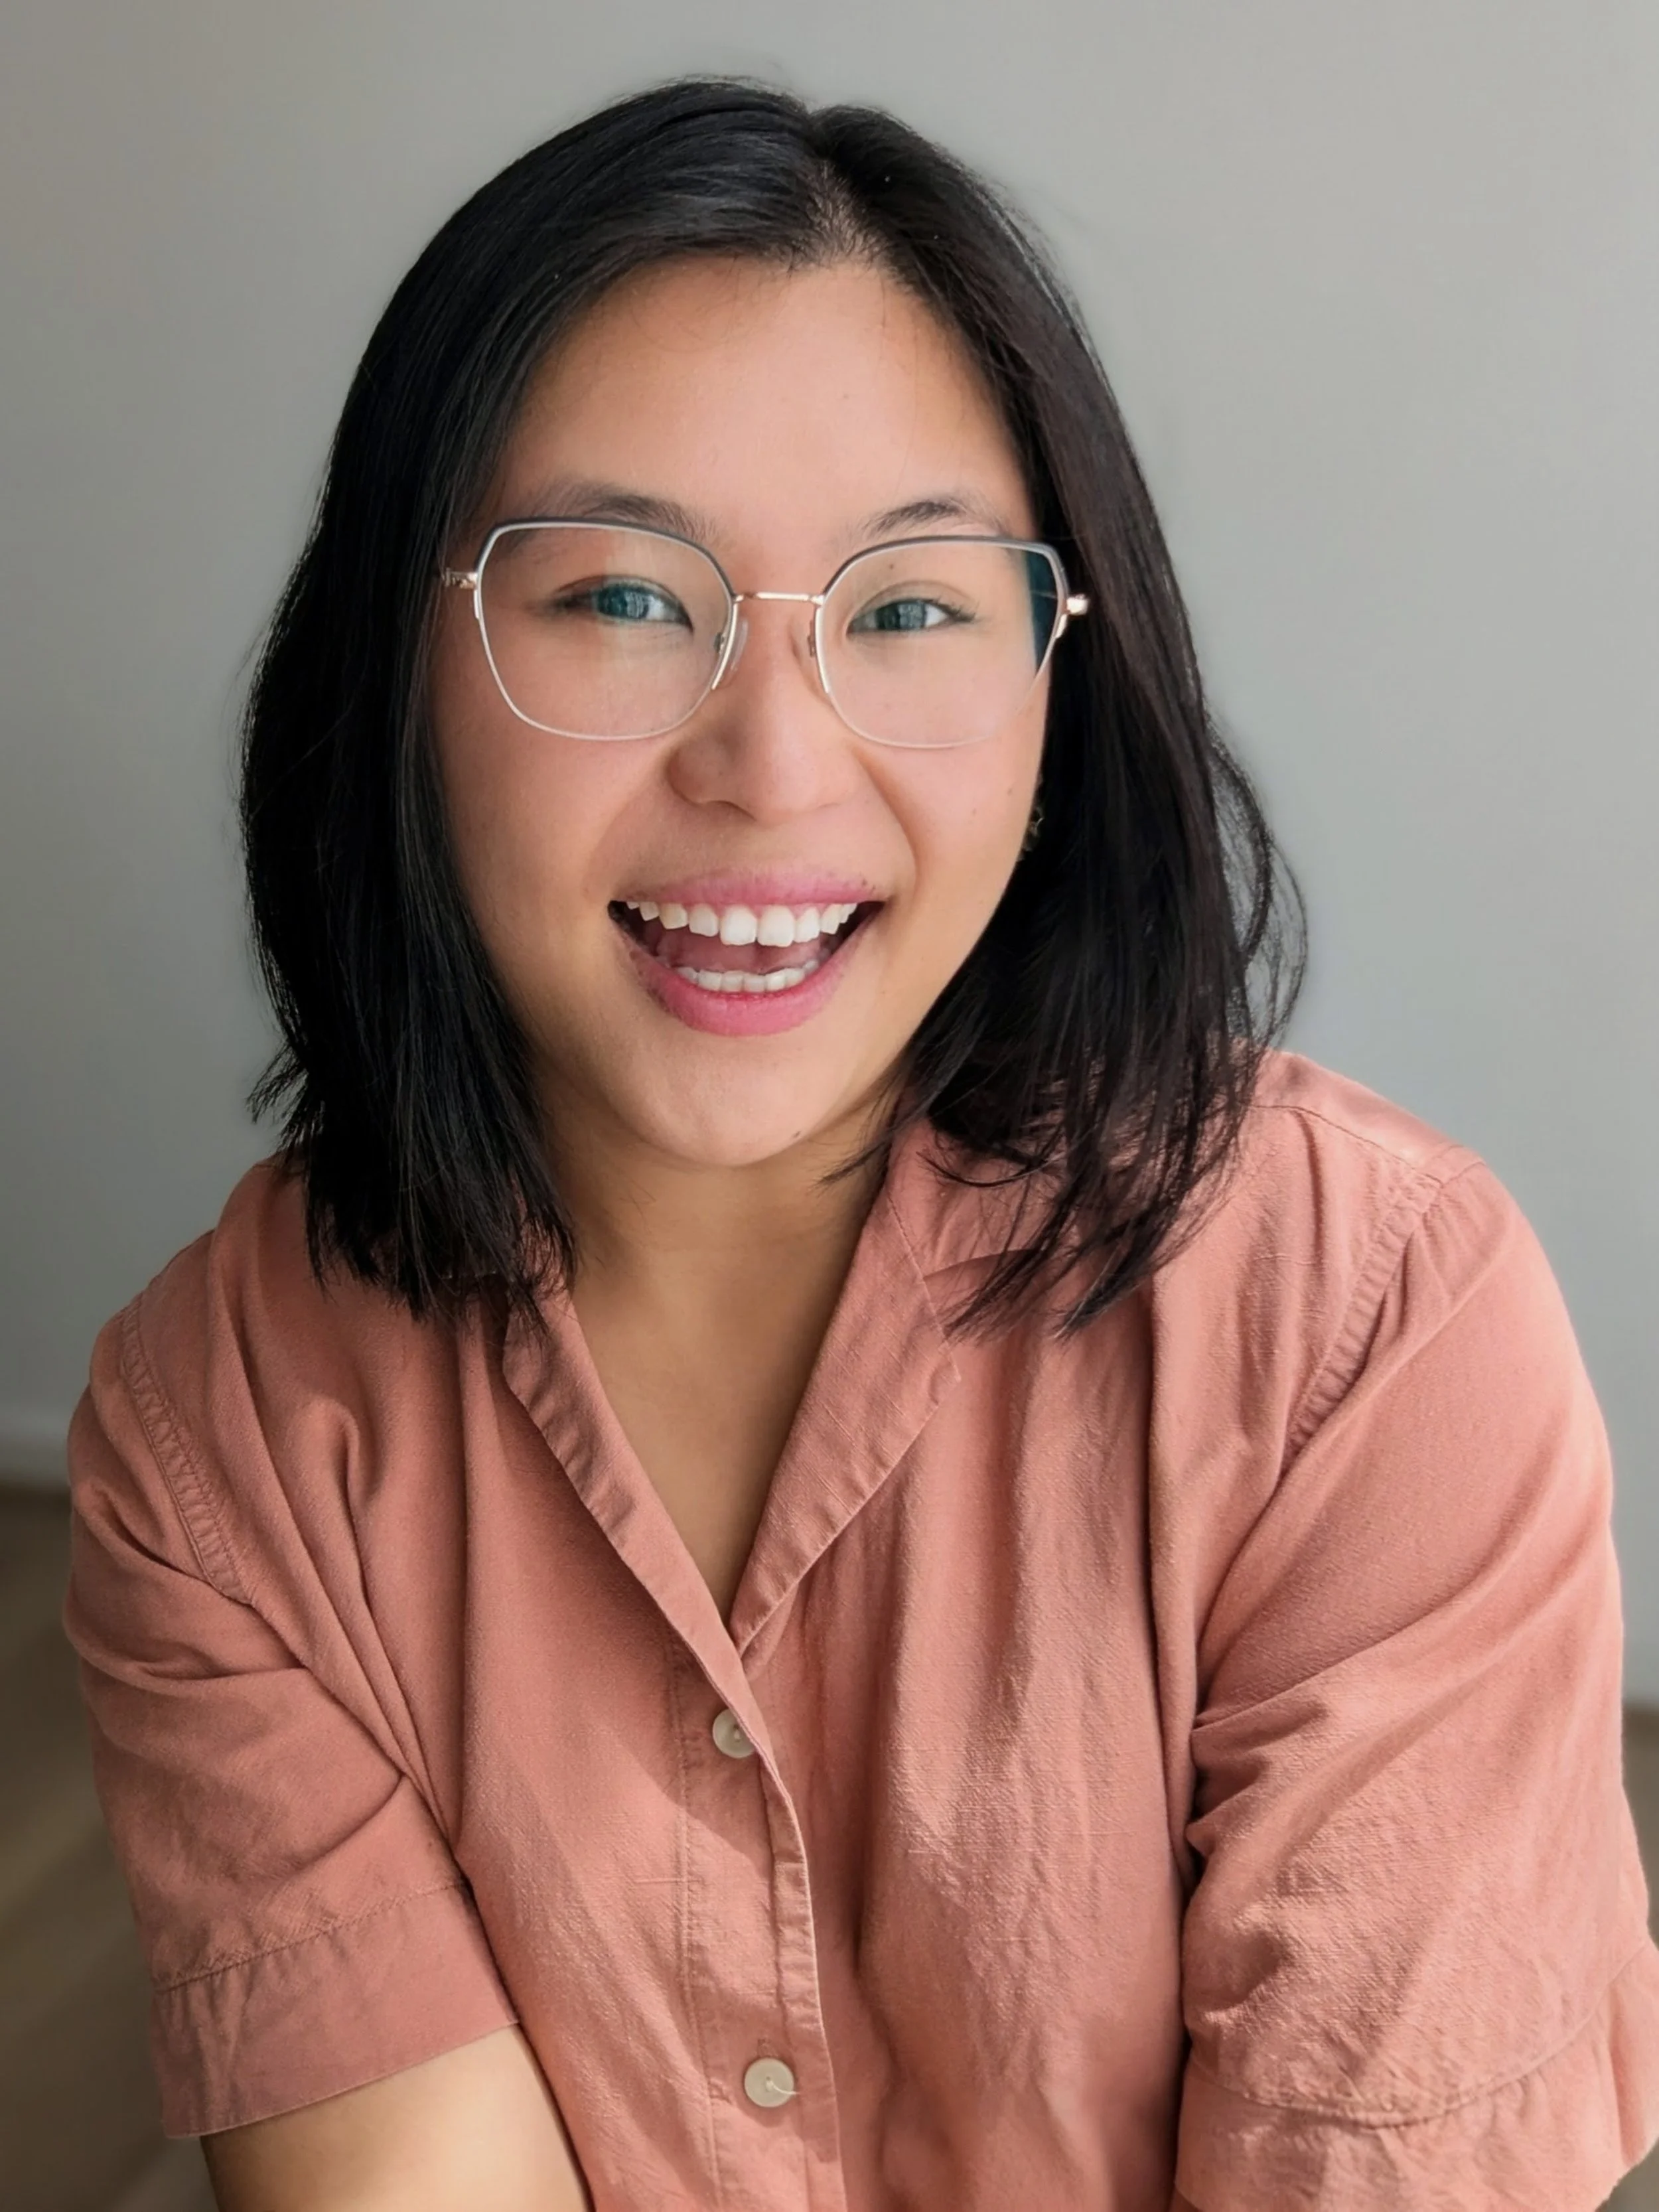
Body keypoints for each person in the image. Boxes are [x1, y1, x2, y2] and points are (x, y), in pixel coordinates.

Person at [63, 76, 1659, 2212]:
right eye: (622, 598)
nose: (769, 762)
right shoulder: (220, 1435)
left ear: (1050, 685)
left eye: (907, 610)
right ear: (399, 661)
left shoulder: (1372, 1330)